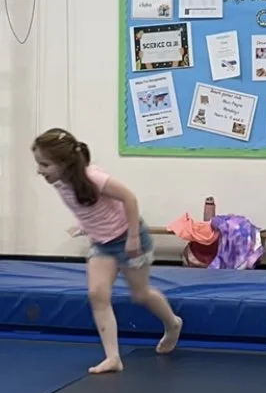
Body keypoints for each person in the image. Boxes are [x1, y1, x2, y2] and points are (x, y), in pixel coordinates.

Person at [32, 128, 182, 374]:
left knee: (141, 294)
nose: (39, 170)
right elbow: (89, 209)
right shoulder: (61, 182)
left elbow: (129, 199)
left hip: (129, 238)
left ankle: (173, 324)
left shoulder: (93, 177)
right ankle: (113, 357)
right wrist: (83, 227)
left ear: (64, 163)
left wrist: (133, 237)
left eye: (44, 164)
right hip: (102, 244)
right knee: (97, 293)